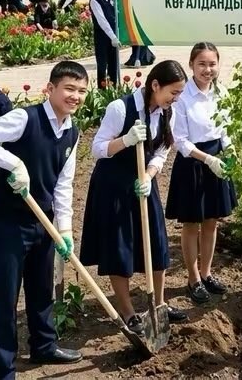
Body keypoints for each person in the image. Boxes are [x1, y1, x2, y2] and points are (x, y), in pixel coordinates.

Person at [0, 61, 89, 379]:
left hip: (42, 222)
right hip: (8, 224)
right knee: (5, 298)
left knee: (41, 289)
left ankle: (44, 346)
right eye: (69, 89)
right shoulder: (25, 119)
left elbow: (63, 184)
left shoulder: (72, 132)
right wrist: (13, 162)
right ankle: (3, 370)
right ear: (51, 89)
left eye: (82, 91)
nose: (75, 96)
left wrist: (64, 230)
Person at [79, 59, 190, 332]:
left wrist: (149, 176)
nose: (176, 99)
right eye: (173, 92)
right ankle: (128, 312)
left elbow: (163, 151)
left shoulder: (167, 113)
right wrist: (126, 140)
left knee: (157, 245)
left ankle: (160, 305)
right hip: (113, 186)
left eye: (179, 93)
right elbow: (97, 148)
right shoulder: (120, 108)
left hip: (142, 183)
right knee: (120, 248)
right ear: (155, 85)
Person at [167, 43, 236, 304]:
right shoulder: (183, 97)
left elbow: (226, 130)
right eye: (202, 64)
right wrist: (207, 159)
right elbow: (180, 141)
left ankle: (206, 273)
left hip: (217, 160)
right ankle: (193, 278)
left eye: (212, 64)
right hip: (194, 163)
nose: (208, 70)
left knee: (211, 221)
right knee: (192, 223)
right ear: (191, 65)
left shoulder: (222, 92)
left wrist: (230, 152)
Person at [89, 0, 120, 87]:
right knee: (102, 65)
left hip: (114, 35)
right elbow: (102, 20)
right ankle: (102, 91)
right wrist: (112, 36)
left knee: (114, 64)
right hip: (102, 37)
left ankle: (114, 88)